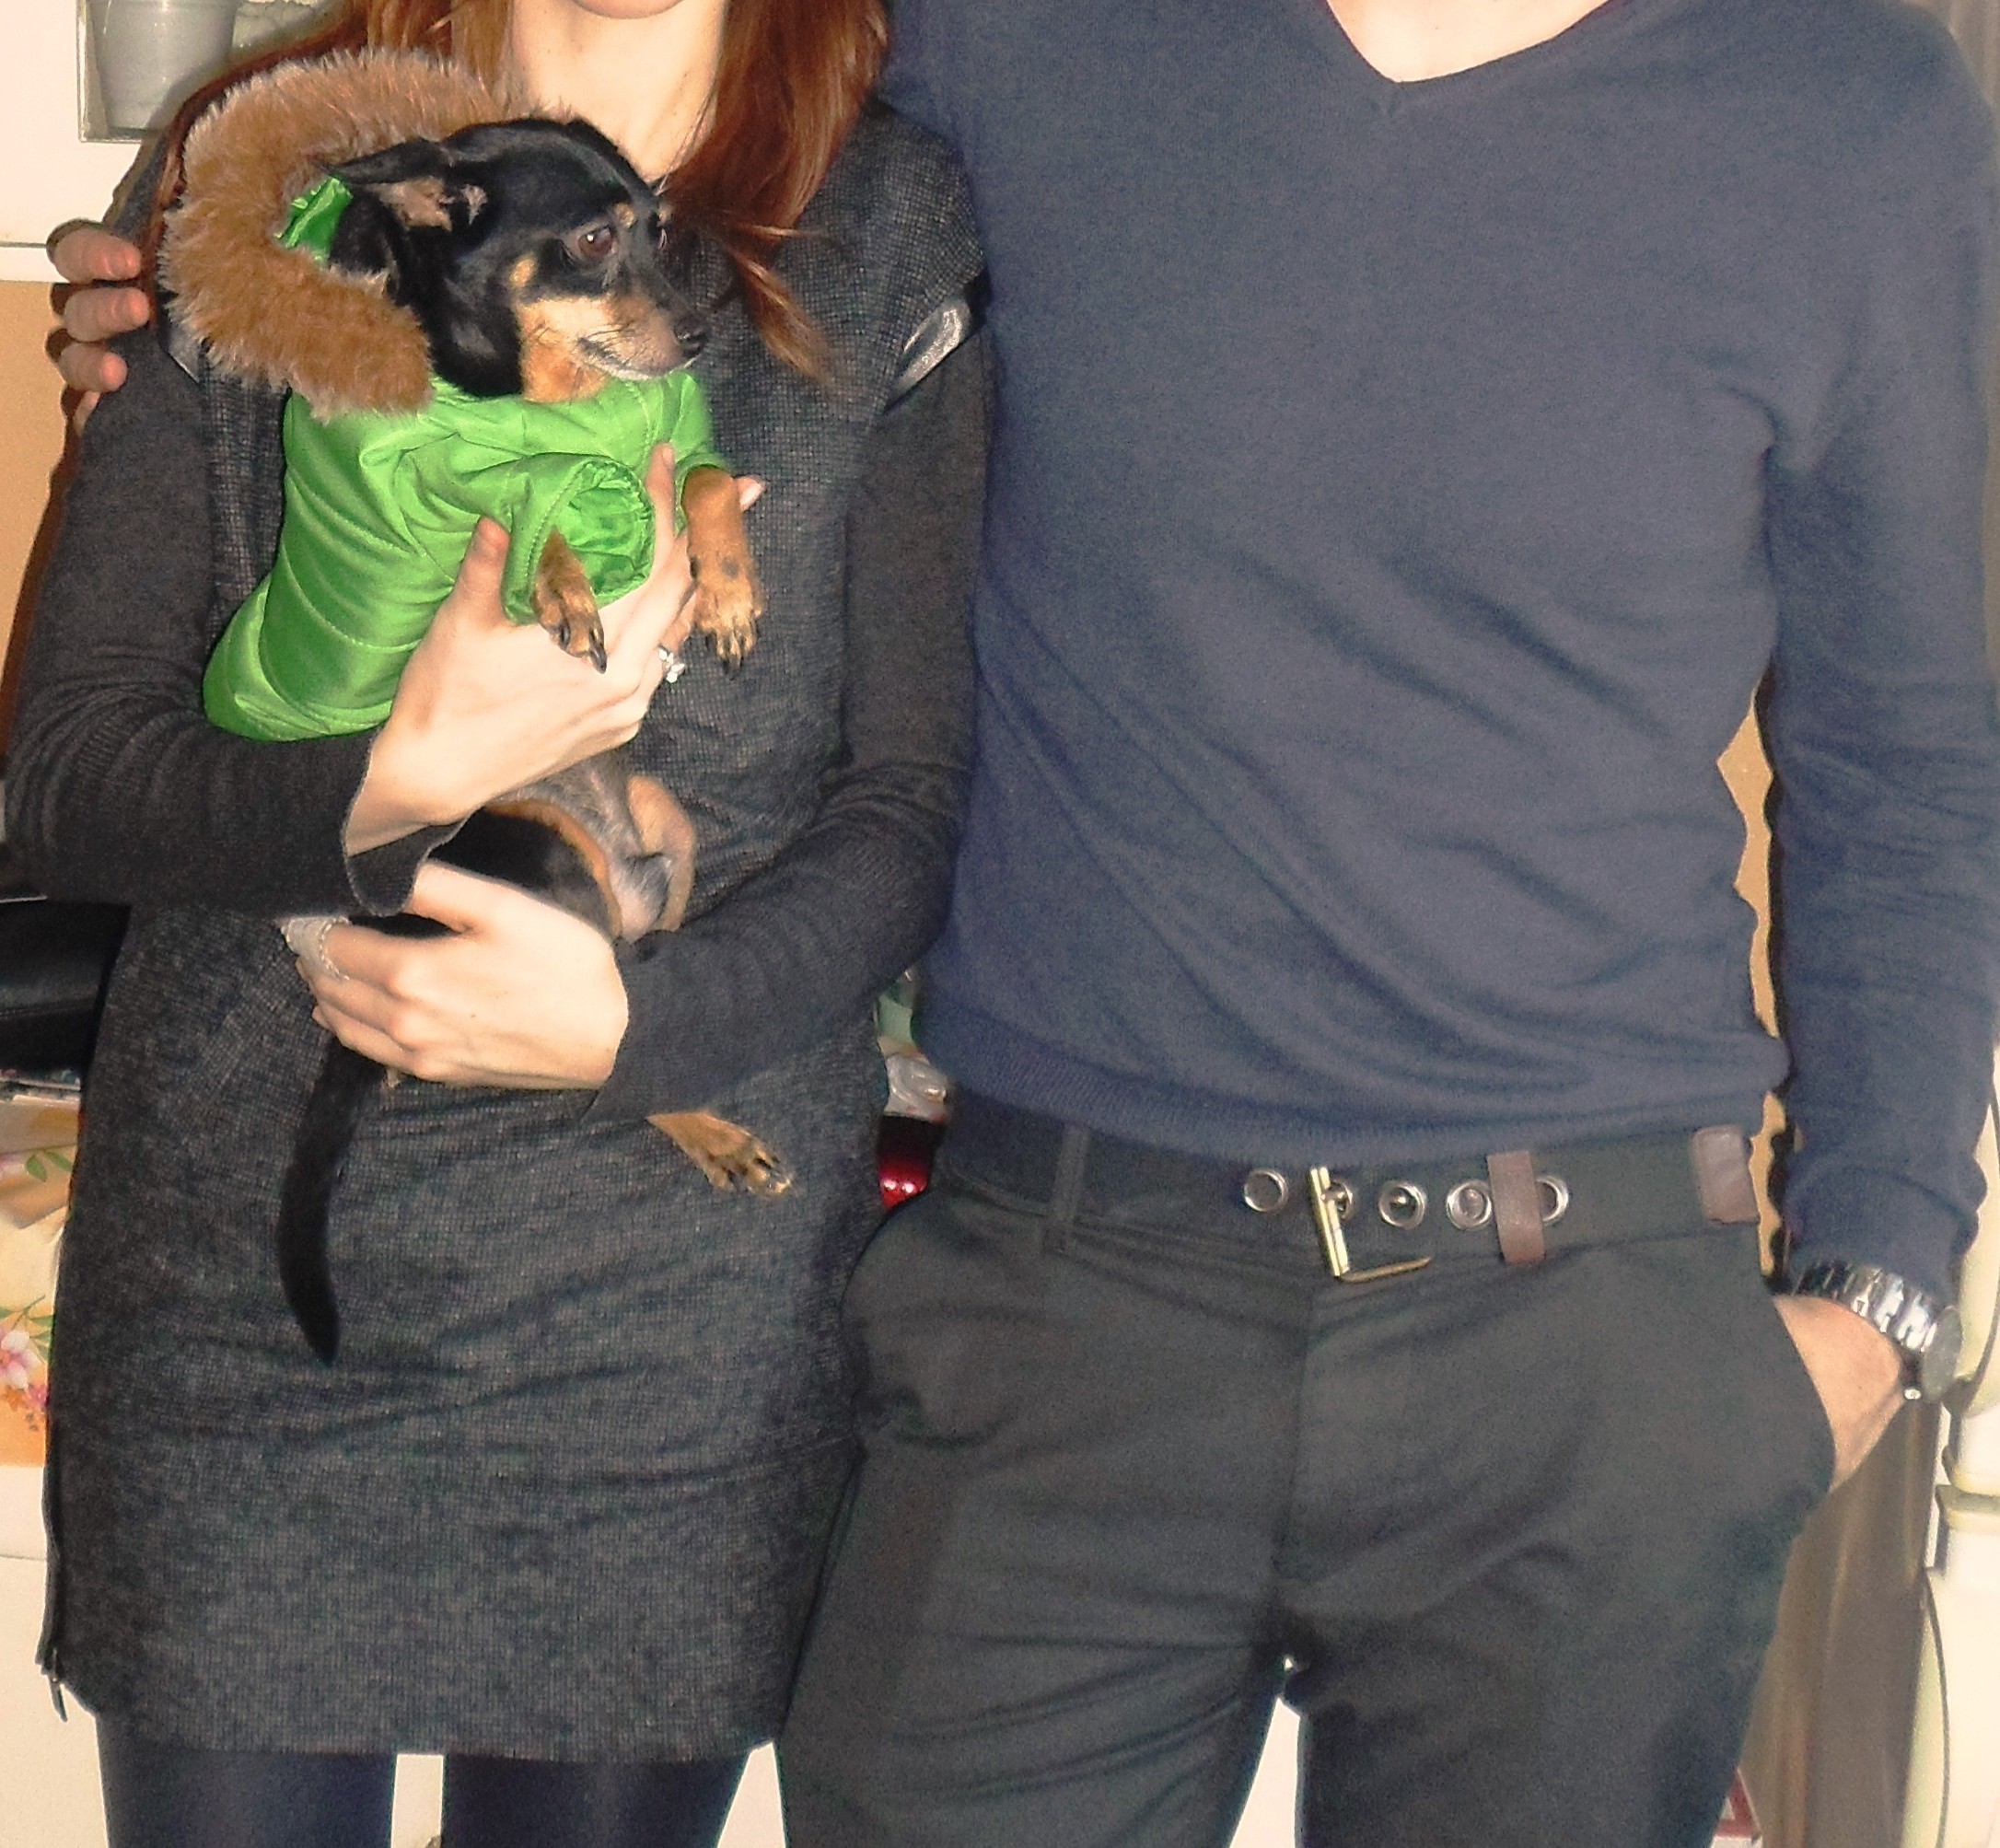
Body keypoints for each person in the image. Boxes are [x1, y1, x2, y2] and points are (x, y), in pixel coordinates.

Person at [54, 0, 2000, 1844]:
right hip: (1064, 1308)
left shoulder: (1852, 118)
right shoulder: (1025, 37)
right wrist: (191, 284)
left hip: (1579, 1331)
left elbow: (1908, 754)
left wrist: (1878, 1294)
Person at [14, 0, 984, 1842]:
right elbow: (70, 774)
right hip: (246, 1302)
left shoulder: (889, 218)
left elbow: (912, 806)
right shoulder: (265, 173)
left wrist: (642, 1030)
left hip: (674, 1345)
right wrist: (389, 781)